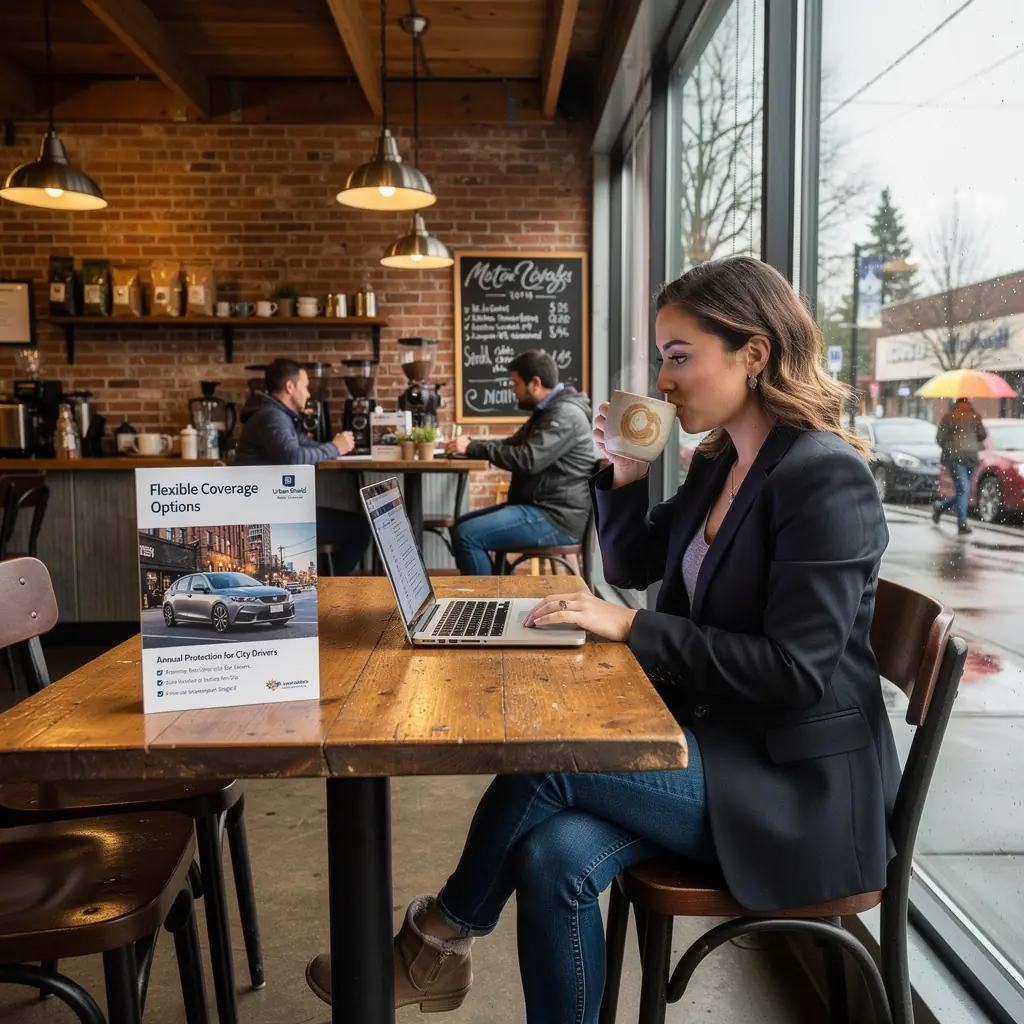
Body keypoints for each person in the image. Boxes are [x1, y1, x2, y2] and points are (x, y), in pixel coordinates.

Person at [304, 256, 901, 1023]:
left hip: (798, 792)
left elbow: (795, 672)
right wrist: (620, 477)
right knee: (552, 858)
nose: (666, 379)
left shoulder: (822, 476)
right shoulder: (725, 461)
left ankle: (439, 938)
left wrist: (628, 623)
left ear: (753, 352)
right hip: (726, 748)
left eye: (680, 356)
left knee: (551, 764)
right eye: (663, 359)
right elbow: (631, 562)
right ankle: (441, 948)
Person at [443, 349, 596, 575]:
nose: (513, 390)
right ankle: (504, 589)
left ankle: (488, 603)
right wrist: (471, 444)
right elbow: (511, 444)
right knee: (459, 528)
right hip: (541, 507)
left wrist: (473, 447)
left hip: (555, 517)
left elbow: (528, 459)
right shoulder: (548, 411)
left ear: (535, 383)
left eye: (515, 383)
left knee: (467, 535)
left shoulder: (564, 414)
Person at [235, 358, 370, 575]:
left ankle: (325, 583)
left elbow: (307, 446)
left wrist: (336, 445)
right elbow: (294, 457)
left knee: (359, 525)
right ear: (290, 387)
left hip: (275, 507)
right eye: (305, 386)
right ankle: (327, 586)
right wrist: (336, 447)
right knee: (361, 528)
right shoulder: (272, 417)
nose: (308, 394)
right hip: (271, 514)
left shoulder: (278, 415)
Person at [932, 397, 987, 535]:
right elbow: (982, 436)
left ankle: (940, 507)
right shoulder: (974, 416)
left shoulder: (949, 417)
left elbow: (939, 438)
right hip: (969, 458)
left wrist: (949, 447)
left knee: (963, 490)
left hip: (956, 458)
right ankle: (961, 522)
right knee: (964, 490)